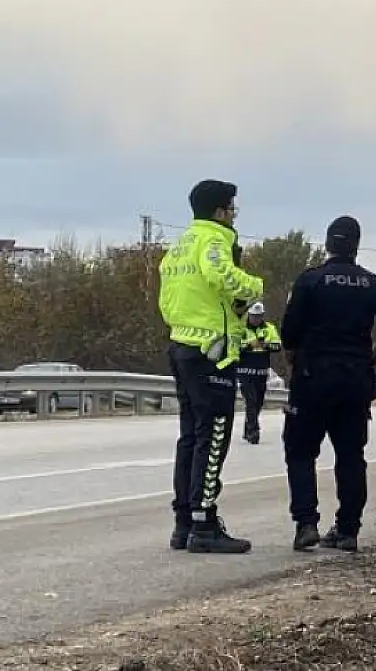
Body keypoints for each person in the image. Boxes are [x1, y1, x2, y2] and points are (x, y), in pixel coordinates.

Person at [281, 216, 376, 553]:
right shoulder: (372, 283)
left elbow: (288, 331)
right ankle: (348, 529)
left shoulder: (310, 281)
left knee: (300, 450)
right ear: (356, 245)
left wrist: (293, 356)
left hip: (313, 377)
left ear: (327, 244)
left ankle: (306, 524)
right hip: (355, 378)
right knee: (351, 455)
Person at [158, 179, 264, 554]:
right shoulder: (215, 239)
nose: (234, 215)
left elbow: (167, 299)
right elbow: (222, 274)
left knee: (190, 435)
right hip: (211, 348)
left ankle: (184, 521)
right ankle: (204, 523)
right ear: (220, 211)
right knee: (214, 434)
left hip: (182, 344)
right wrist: (254, 287)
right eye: (233, 209)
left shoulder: (180, 244)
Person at [238, 302, 282, 444]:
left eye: (259, 316)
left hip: (262, 373)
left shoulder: (269, 328)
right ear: (249, 315)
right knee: (251, 401)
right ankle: (253, 432)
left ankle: (247, 428)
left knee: (258, 403)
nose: (256, 319)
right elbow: (235, 345)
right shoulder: (240, 329)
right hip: (245, 372)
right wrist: (249, 346)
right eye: (254, 316)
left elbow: (277, 346)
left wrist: (264, 345)